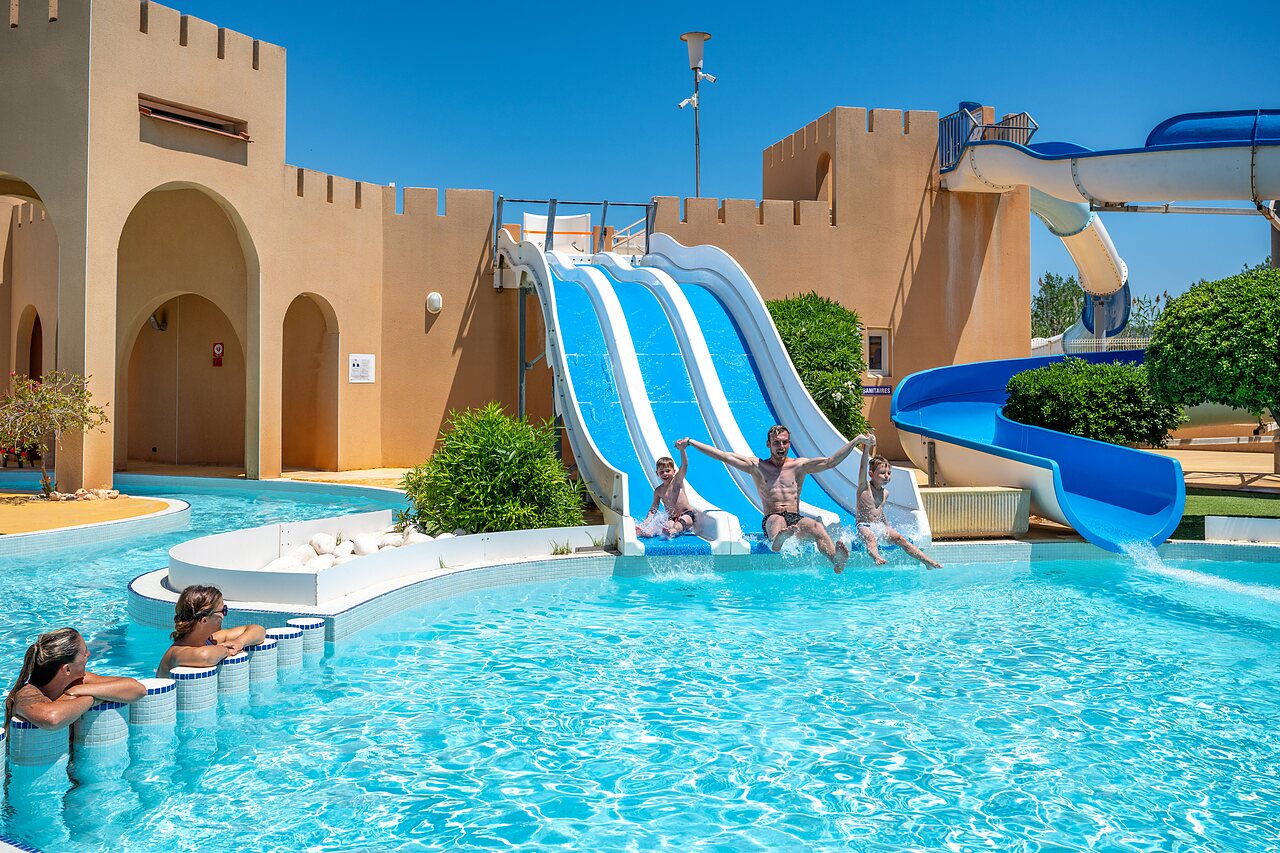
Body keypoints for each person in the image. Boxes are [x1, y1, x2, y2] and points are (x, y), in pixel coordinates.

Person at [683, 425, 855, 572]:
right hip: (772, 518)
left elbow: (831, 462)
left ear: (789, 443)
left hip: (794, 517)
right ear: (768, 444)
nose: (781, 446)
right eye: (776, 443)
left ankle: (836, 560)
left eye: (784, 442)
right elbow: (723, 456)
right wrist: (691, 442)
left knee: (816, 526)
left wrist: (856, 442)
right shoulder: (757, 466)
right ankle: (777, 542)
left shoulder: (799, 466)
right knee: (777, 521)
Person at [4, 627, 145, 732]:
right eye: (84, 653)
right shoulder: (28, 694)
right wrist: (91, 698)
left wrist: (81, 690)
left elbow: (137, 689)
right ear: (67, 669)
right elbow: (52, 719)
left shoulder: (78, 681)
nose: (88, 655)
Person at [855, 433, 942, 569]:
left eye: (889, 473)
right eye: (883, 473)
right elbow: (862, 467)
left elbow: (880, 512)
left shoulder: (885, 493)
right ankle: (877, 557)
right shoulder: (864, 487)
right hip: (863, 526)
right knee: (871, 537)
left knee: (901, 539)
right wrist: (866, 448)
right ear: (871, 473)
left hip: (879, 527)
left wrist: (887, 526)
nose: (887, 476)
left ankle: (927, 561)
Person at [156, 585, 267, 678]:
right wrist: (227, 650)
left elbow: (258, 630)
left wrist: (239, 642)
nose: (224, 615)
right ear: (204, 620)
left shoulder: (211, 640)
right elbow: (205, 656)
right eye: (223, 611)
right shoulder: (177, 653)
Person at [635, 438, 698, 539]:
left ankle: (672, 532)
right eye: (661, 472)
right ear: (657, 474)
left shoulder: (677, 481)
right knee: (665, 524)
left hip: (687, 515)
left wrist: (682, 450)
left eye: (668, 471)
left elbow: (685, 465)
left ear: (674, 471)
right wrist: (645, 523)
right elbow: (653, 510)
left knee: (680, 523)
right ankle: (648, 532)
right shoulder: (658, 491)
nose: (665, 474)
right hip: (673, 517)